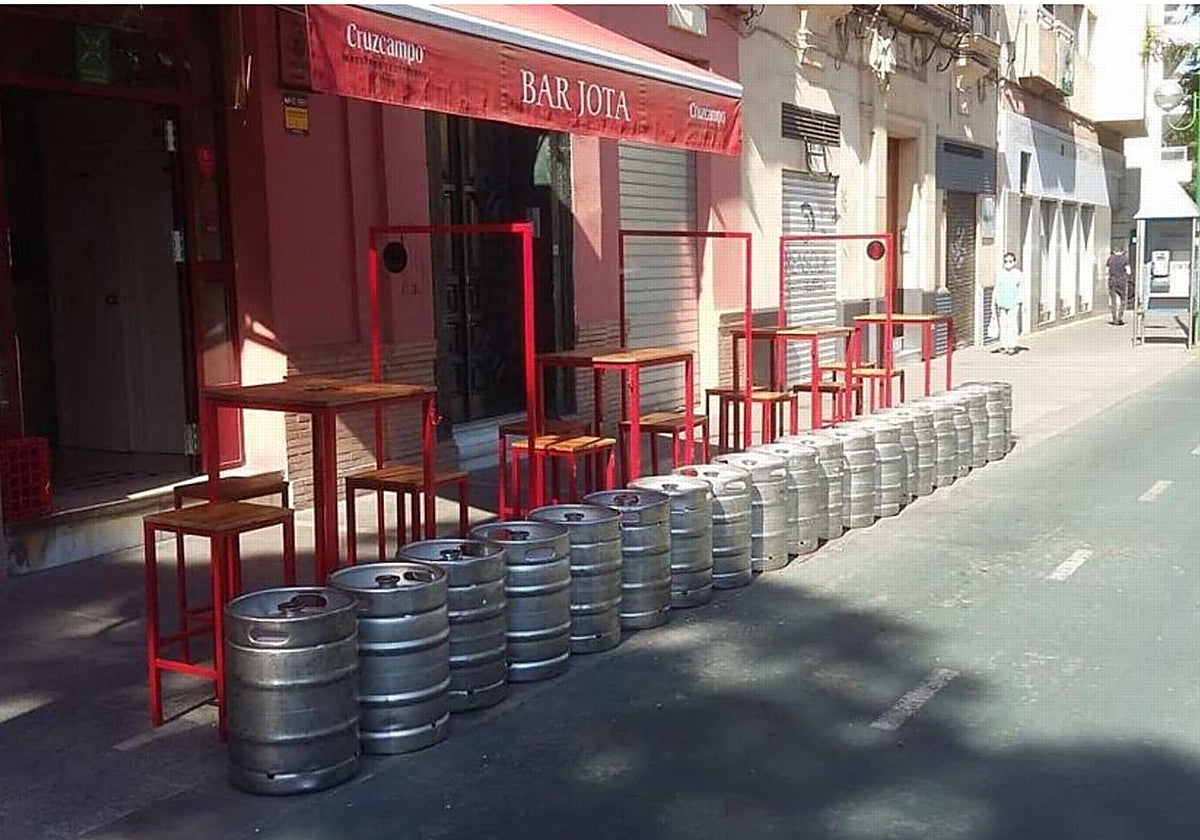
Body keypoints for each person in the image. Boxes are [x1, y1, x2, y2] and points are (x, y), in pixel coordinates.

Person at [993, 251, 1023, 355]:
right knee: (1003, 323)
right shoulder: (1000, 274)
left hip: (1014, 302)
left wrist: (1021, 302)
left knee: (1012, 323)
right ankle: (1003, 345)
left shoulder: (1018, 274)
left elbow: (1021, 288)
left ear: (1014, 262)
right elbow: (997, 288)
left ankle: (1012, 345)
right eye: (1005, 261)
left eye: (1010, 261)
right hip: (1002, 302)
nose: (1008, 263)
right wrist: (994, 301)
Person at [1106, 244, 1132, 325]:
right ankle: (1120, 318)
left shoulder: (1110, 259)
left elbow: (1107, 271)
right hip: (1122, 282)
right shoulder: (1125, 259)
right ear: (1122, 251)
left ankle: (1114, 318)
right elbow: (1129, 271)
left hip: (1112, 281)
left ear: (1114, 251)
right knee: (1123, 300)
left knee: (1113, 300)